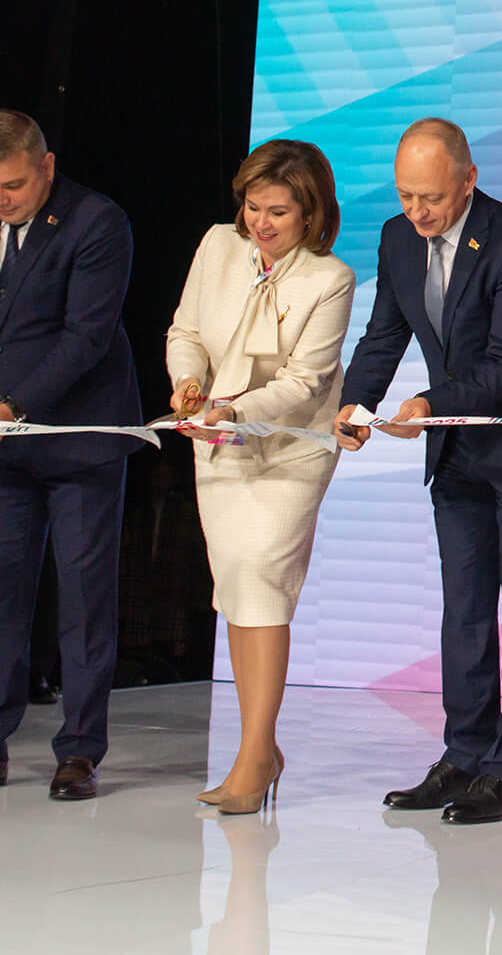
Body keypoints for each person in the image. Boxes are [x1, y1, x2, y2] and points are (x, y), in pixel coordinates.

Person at [0, 109, 145, 801]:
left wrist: (10, 406)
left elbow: (86, 337)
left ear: (45, 166)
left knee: (83, 601)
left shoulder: (98, 221)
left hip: (80, 438)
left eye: (11, 185)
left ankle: (80, 751)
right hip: (2, 442)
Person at [337, 119, 502, 825]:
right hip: (454, 456)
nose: (417, 211)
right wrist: (356, 402)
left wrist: (431, 404)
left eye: (431, 197)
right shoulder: (397, 238)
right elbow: (384, 332)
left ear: (468, 180)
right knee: (463, 610)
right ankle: (463, 754)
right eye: (405, 196)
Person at [166, 139, 355, 813]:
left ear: (311, 212)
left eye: (279, 211)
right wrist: (189, 385)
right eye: (253, 207)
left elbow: (306, 383)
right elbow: (186, 330)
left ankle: (254, 754)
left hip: (289, 450)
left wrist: (234, 410)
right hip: (217, 443)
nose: (261, 223)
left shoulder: (331, 278)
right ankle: (259, 748)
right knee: (238, 585)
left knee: (264, 580)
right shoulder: (217, 245)